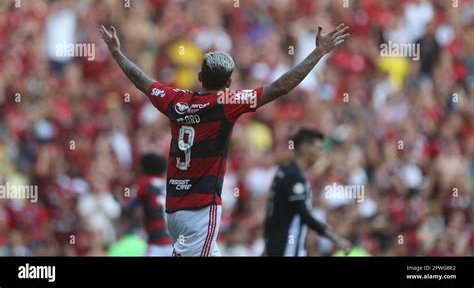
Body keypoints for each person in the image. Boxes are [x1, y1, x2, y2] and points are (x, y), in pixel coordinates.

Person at [99, 23, 349, 256]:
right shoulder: (226, 103)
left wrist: (117, 53)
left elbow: (142, 80)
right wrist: (318, 53)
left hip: (173, 209)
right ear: (228, 83)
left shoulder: (175, 100)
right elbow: (280, 87)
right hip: (201, 208)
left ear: (199, 77)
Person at [264, 129, 352, 256]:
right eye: (317, 148)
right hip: (285, 247)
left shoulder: (287, 172)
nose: (320, 153)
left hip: (281, 245)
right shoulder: (293, 176)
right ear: (305, 148)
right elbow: (304, 214)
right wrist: (335, 238)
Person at [130, 153, 173, 256]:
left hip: (156, 244)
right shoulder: (169, 183)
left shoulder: (142, 183)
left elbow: (131, 206)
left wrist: (124, 192)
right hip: (175, 244)